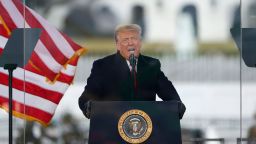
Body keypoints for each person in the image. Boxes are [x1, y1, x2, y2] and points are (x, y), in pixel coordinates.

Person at [78, 24, 185, 119]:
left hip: (145, 129)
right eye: (125, 40)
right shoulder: (102, 66)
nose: (130, 43)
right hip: (112, 128)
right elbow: (86, 98)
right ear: (118, 45)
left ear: (140, 42)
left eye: (134, 38)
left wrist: (177, 105)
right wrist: (88, 106)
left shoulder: (152, 65)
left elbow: (169, 93)